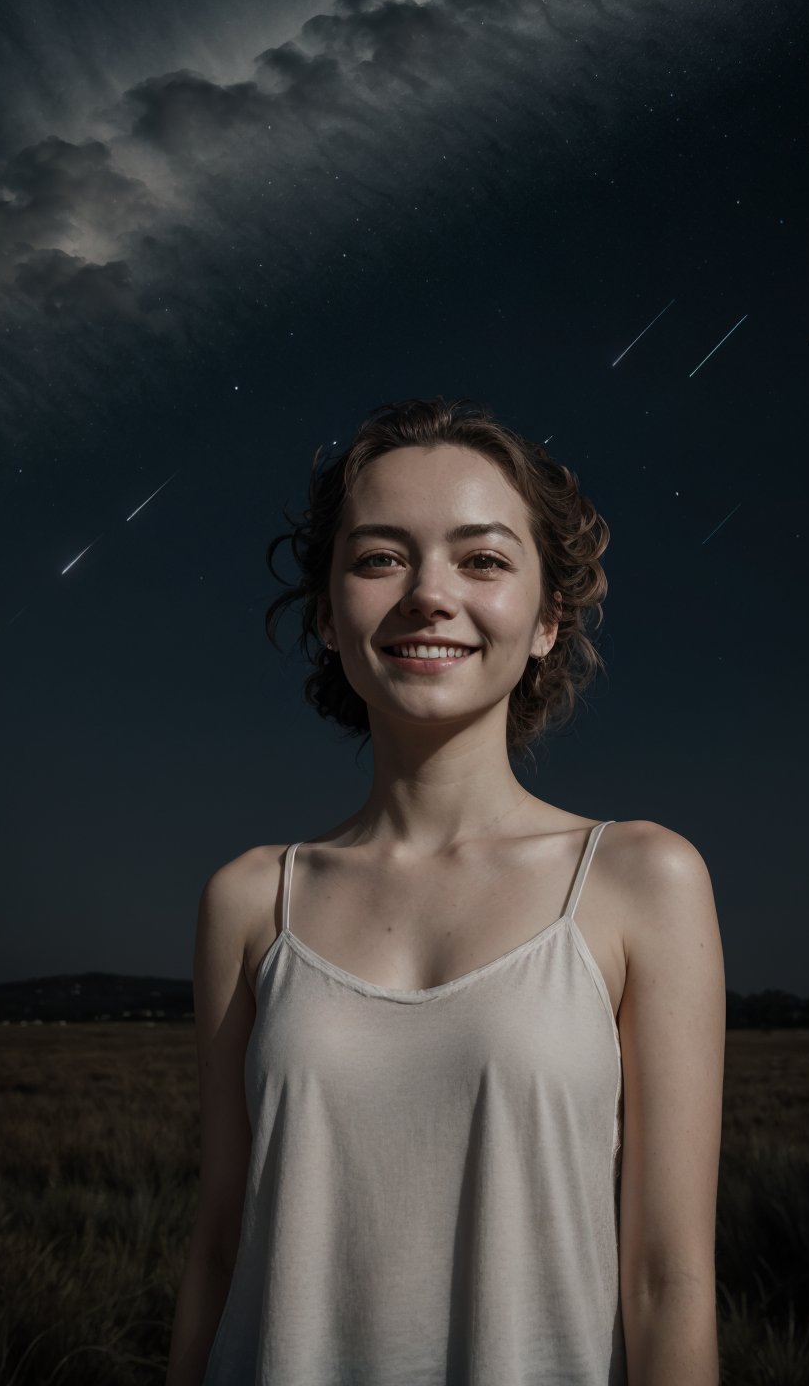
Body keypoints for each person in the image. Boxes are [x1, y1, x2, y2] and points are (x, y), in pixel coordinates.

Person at [165, 394, 726, 1386]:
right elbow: (218, 1245)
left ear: (548, 617)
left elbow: (667, 1279)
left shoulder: (642, 878)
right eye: (381, 556)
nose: (429, 592)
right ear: (329, 618)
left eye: (482, 558)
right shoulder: (252, 897)